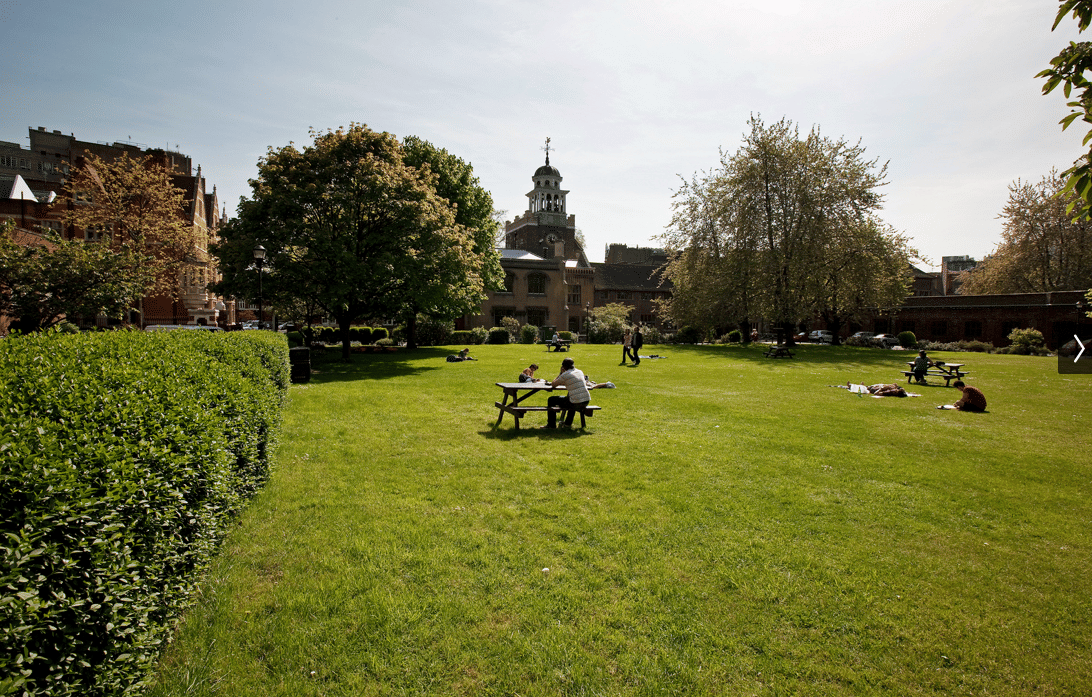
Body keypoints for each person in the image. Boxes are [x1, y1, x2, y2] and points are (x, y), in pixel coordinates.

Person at [547, 357, 592, 428]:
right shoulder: (580, 372)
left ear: (563, 366)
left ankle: (551, 424)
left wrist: (560, 373)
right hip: (586, 401)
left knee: (551, 399)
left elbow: (553, 384)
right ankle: (567, 424)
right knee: (572, 397)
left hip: (575, 403)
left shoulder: (565, 375)